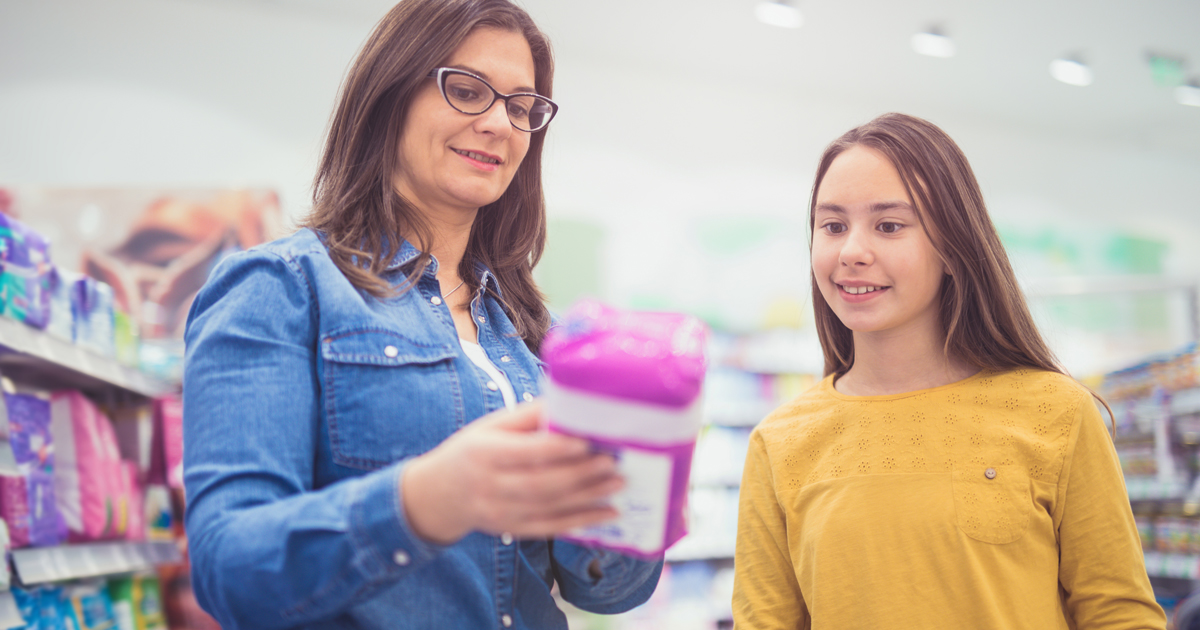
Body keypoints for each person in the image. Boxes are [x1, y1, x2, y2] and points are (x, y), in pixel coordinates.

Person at [181, 1, 663, 628]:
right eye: (466, 90)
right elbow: (230, 569)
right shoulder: (281, 287)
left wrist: (640, 485)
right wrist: (424, 500)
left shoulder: (528, 331)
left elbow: (606, 593)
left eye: (521, 107)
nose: (500, 124)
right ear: (390, 95)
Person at [732, 113, 1165, 629]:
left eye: (889, 225)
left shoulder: (1058, 413)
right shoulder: (779, 444)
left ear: (954, 247)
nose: (851, 252)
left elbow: (1119, 614)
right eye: (832, 226)